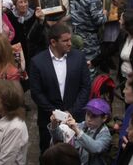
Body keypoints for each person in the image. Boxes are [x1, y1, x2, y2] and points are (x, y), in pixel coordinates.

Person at [28, 21, 92, 150]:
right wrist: (55, 113)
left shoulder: (79, 58)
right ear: (53, 42)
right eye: (65, 41)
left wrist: (71, 112)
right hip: (49, 119)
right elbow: (36, 92)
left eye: (70, 39)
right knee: (48, 155)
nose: (70, 43)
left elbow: (85, 87)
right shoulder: (37, 62)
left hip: (75, 119)